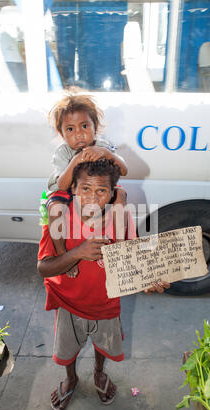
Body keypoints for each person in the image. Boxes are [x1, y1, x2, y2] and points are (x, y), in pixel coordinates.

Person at [37, 159, 170, 410]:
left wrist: (149, 279)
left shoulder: (120, 217)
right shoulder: (59, 219)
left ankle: (98, 373)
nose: (92, 197)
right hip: (69, 304)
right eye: (85, 189)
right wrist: (78, 252)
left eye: (101, 191)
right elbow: (43, 268)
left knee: (103, 346)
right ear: (73, 188)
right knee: (69, 350)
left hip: (107, 304)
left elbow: (132, 260)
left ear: (112, 193)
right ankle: (72, 378)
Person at [46, 89, 128, 279]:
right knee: (55, 208)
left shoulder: (102, 145)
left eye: (84, 126)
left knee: (121, 195)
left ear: (95, 126)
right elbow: (63, 184)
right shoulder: (63, 153)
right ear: (61, 133)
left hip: (96, 188)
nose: (79, 134)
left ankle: (121, 247)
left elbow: (124, 171)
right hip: (65, 189)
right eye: (70, 129)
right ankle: (61, 253)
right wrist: (75, 161)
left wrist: (108, 155)